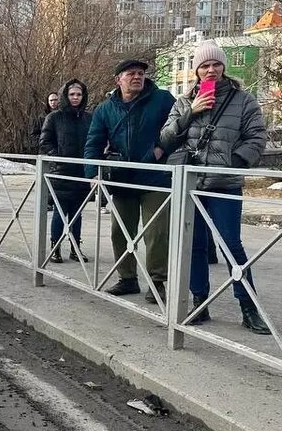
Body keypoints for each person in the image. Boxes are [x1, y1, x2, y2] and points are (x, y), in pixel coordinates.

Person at [159, 41, 269, 334]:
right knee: (193, 245)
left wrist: (232, 163)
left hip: (224, 185)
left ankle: (249, 307)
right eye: (204, 66)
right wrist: (191, 112)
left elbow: (257, 139)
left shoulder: (243, 100)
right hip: (191, 185)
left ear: (223, 67)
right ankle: (199, 302)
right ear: (196, 70)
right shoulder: (184, 100)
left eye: (215, 64)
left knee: (231, 245)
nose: (211, 70)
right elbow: (166, 140)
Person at [83, 59, 175, 303]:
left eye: (141, 73)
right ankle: (127, 278)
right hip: (122, 178)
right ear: (118, 80)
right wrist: (93, 173)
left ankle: (157, 282)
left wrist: (161, 148)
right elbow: (93, 143)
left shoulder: (162, 99)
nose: (137, 77)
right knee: (120, 231)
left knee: (156, 233)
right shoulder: (105, 109)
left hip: (155, 177)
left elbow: (180, 127)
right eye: (131, 73)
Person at [40, 80, 91, 263]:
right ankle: (55, 247)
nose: (76, 98)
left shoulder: (88, 118)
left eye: (79, 94)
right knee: (60, 212)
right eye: (72, 95)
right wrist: (58, 157)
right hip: (61, 172)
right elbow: (45, 141)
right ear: (65, 96)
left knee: (77, 213)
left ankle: (75, 248)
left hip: (81, 172)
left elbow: (94, 141)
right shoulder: (54, 118)